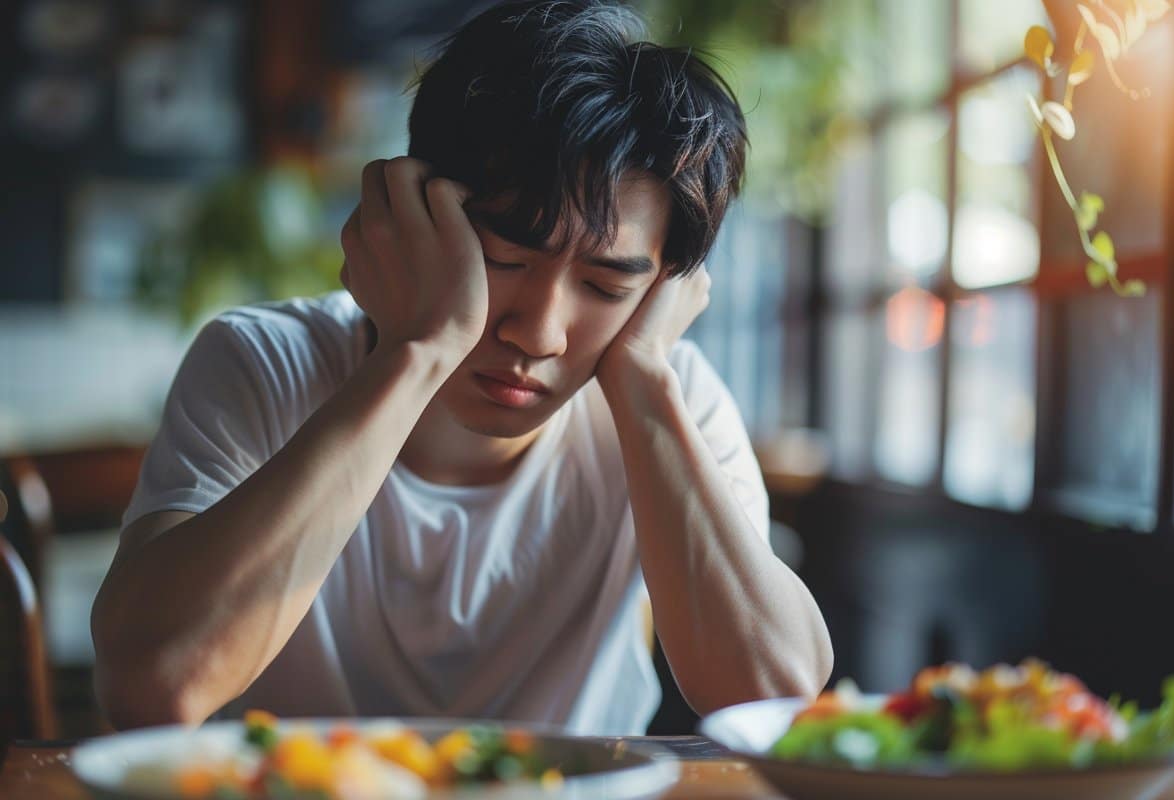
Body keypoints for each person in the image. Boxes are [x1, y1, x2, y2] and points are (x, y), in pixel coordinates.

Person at [91, 0, 832, 736]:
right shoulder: (264, 365)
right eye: (502, 258)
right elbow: (155, 686)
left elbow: (773, 693)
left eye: (606, 287)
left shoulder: (673, 399)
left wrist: (643, 380)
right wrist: (419, 351)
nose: (538, 332)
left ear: (663, 288)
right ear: (406, 215)